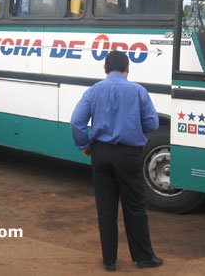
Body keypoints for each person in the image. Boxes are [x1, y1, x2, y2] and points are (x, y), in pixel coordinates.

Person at [70, 50, 162, 272]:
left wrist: (86, 145)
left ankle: (109, 261)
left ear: (105, 69)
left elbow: (76, 122)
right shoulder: (138, 91)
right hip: (129, 155)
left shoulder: (93, 91)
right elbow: (152, 124)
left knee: (106, 208)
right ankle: (143, 257)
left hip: (100, 154)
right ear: (127, 69)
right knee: (135, 206)